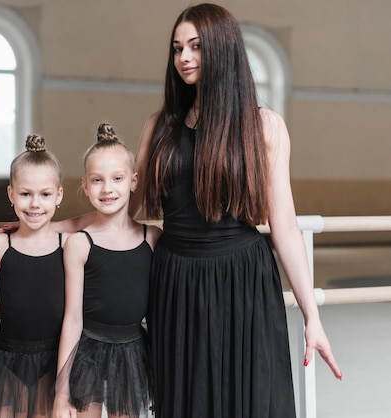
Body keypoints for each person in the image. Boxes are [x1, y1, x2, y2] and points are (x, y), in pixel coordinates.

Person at [130, 4, 343, 417]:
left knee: (246, 401)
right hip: (177, 281)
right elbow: (123, 207)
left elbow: (283, 224)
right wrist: (51, 228)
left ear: (223, 49)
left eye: (195, 46)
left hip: (243, 280)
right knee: (184, 400)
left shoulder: (264, 127)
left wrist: (311, 318)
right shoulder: (159, 126)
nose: (184, 58)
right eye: (177, 49)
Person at [53, 123, 162, 418]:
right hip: (88, 352)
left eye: (117, 178)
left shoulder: (151, 238)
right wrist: (61, 395)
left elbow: (156, 312)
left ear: (134, 181)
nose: (108, 188)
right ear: (86, 186)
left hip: (134, 352)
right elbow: (73, 319)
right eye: (98, 180)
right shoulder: (79, 245)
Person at [0, 134, 67, 417]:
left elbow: (98, 221)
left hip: (54, 360)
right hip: (8, 358)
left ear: (59, 195)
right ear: (11, 194)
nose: (34, 204)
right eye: (25, 194)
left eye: (45, 194)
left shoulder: (68, 244)